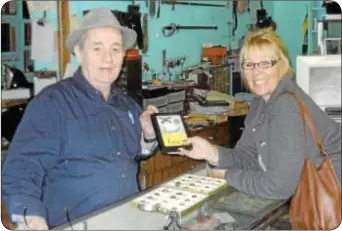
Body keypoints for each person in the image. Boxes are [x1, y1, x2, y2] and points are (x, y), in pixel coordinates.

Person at [2, 8, 159, 229]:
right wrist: (29, 216)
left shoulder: (127, 105)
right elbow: (21, 168)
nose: (108, 58)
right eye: (97, 48)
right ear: (79, 51)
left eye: (116, 49)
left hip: (129, 219)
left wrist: (149, 137)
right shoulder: (51, 104)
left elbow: (135, 152)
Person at [177, 28, 341, 200]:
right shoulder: (259, 103)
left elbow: (279, 187)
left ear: (282, 65)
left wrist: (226, 176)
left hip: (330, 197)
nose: (257, 72)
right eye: (249, 65)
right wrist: (212, 153)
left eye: (265, 63)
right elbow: (248, 156)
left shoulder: (286, 105)